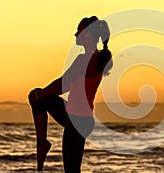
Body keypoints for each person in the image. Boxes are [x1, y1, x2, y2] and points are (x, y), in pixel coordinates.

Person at [28, 16, 112, 172]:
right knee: (40, 99)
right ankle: (42, 143)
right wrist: (39, 95)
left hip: (78, 120)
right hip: (74, 114)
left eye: (78, 31)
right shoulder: (94, 58)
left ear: (87, 34)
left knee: (72, 170)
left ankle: (42, 143)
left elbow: (62, 85)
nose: (75, 34)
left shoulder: (86, 60)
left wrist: (40, 94)